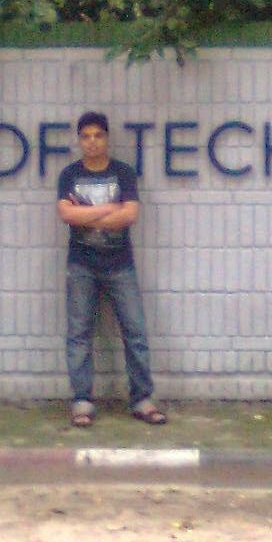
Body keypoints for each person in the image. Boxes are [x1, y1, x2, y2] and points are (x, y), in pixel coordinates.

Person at [55, 111, 167, 427]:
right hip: (81, 266)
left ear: (106, 138)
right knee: (79, 334)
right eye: (86, 136)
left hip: (120, 264)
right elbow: (66, 215)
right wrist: (108, 210)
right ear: (79, 140)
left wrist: (87, 214)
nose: (92, 142)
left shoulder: (123, 173)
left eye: (97, 135)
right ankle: (82, 402)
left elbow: (130, 215)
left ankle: (142, 400)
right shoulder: (69, 174)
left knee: (135, 332)